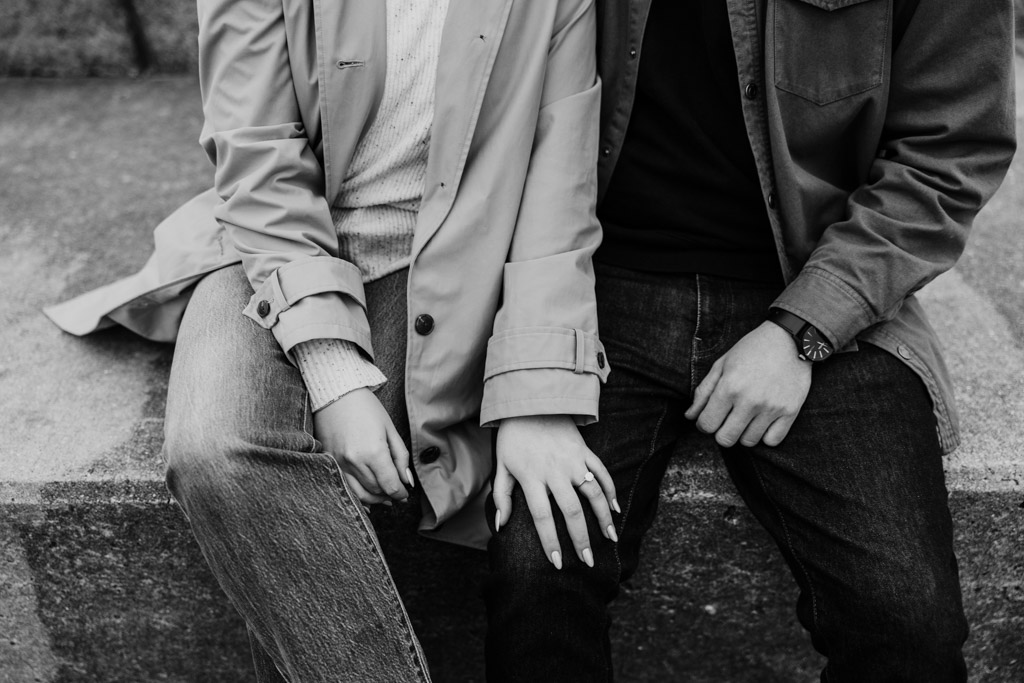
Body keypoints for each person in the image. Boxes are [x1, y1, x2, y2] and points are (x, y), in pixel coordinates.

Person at [45, 0, 619, 680]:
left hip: (442, 265)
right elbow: (256, 154)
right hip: (265, 249)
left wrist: (536, 398)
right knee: (215, 445)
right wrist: (333, 370)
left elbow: (558, 194)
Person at [485, 0, 1016, 680]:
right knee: (537, 573)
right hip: (594, 284)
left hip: (814, 277)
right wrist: (530, 358)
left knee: (905, 618)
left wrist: (802, 331)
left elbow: (949, 153)